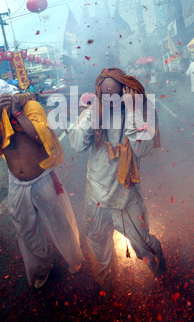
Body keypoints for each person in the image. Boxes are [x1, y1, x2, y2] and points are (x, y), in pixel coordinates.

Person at [69, 67, 165, 301]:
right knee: (97, 241)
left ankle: (160, 267)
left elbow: (142, 149)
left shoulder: (140, 111)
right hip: (96, 192)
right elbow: (76, 144)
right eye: (105, 96)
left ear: (125, 92)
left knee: (143, 245)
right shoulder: (94, 110)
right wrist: (92, 112)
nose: (111, 101)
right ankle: (105, 281)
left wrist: (132, 110)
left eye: (116, 95)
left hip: (126, 194)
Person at [0, 79, 84, 289]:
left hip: (43, 177)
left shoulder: (30, 107)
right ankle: (40, 268)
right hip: (17, 183)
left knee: (60, 220)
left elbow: (39, 136)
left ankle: (74, 258)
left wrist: (17, 113)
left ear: (10, 96)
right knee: (25, 230)